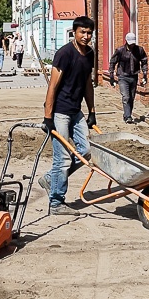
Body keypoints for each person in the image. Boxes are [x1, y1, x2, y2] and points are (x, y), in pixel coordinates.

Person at [39, 16, 97, 215]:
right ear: (74, 32)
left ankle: (50, 178)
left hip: (76, 110)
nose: (86, 36)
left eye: (89, 33)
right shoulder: (64, 53)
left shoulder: (89, 53)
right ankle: (56, 202)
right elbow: (52, 86)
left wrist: (92, 111)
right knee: (63, 158)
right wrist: (48, 116)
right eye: (82, 32)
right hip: (60, 112)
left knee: (89, 151)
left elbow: (88, 83)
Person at [109, 32, 149, 124]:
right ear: (126, 41)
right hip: (123, 76)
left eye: (133, 43)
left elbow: (144, 61)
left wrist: (145, 74)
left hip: (134, 76)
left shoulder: (139, 50)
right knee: (126, 96)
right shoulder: (120, 50)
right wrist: (111, 76)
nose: (132, 45)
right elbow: (112, 62)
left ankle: (128, 114)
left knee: (131, 97)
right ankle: (128, 117)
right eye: (130, 43)